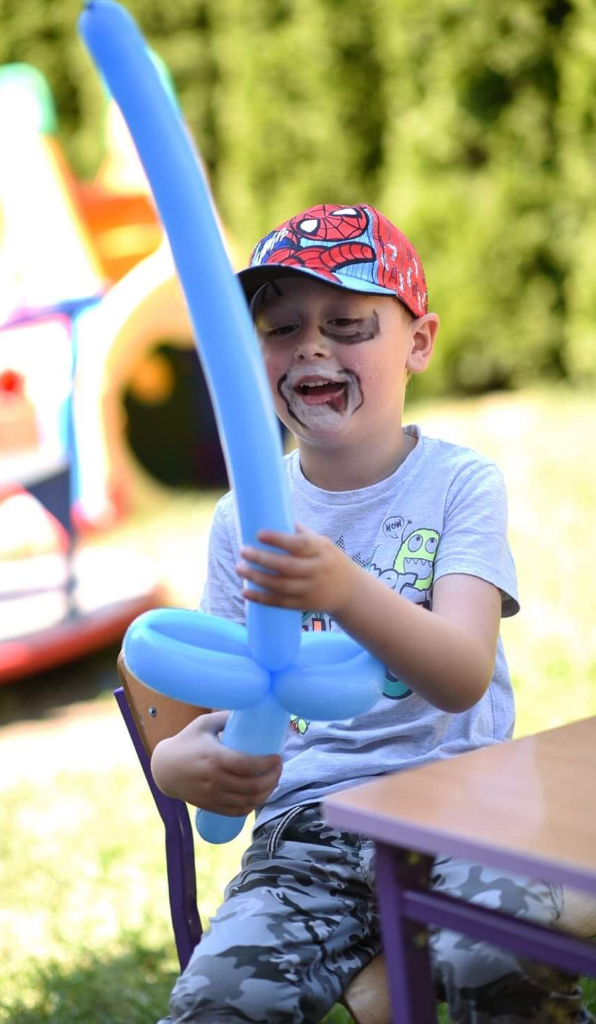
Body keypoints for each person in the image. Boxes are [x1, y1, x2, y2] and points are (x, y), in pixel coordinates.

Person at [152, 203, 591, 1023]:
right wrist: (178, 765)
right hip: (303, 842)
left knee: (489, 960)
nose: (312, 346)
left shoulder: (460, 484)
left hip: (460, 810)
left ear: (417, 343)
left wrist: (344, 590)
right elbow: (229, 715)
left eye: (348, 323)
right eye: (280, 328)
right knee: (215, 1006)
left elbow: (461, 676)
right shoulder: (238, 518)